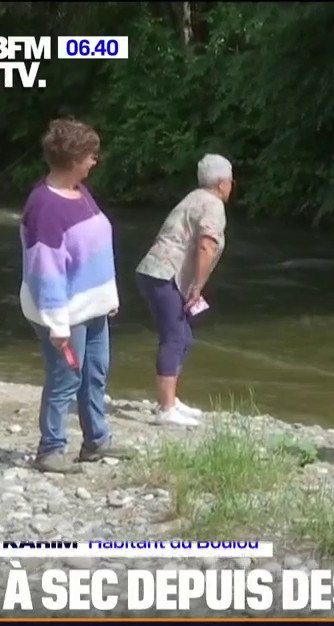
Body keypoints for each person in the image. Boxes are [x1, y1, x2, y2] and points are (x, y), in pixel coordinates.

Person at [19, 118, 135, 474]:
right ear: (73, 159)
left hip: (92, 306)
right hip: (65, 313)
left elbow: (93, 249)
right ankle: (50, 450)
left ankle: (96, 441)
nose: (95, 161)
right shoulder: (45, 206)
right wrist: (58, 324)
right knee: (66, 378)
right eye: (90, 156)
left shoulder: (79, 192)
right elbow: (45, 270)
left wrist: (108, 297)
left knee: (95, 374)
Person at [134, 154, 233, 426]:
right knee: (175, 337)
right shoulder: (213, 204)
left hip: (155, 272)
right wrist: (197, 288)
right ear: (222, 183)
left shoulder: (193, 197)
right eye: (230, 181)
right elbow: (206, 246)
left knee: (184, 337)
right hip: (164, 274)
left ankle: (171, 399)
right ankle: (166, 408)